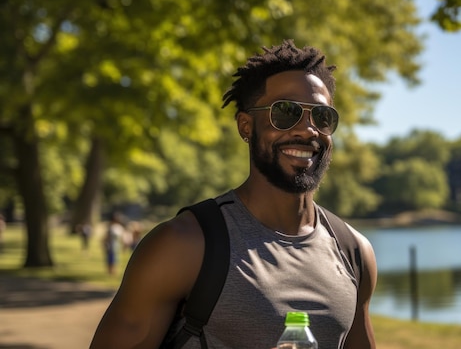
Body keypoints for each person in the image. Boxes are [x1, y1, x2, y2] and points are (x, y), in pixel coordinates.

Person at [90, 40, 378, 349]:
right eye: (286, 112)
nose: (308, 129)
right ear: (246, 125)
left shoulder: (355, 252)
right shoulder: (182, 245)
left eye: (322, 116)